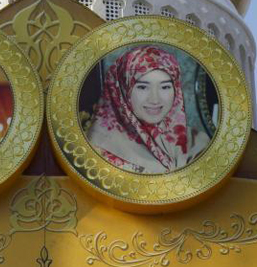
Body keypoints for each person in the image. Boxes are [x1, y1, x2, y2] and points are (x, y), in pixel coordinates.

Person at [85, 45, 211, 174]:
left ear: (176, 90)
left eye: (165, 87)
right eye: (142, 87)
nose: (155, 99)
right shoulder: (98, 147)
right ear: (123, 90)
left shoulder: (197, 142)